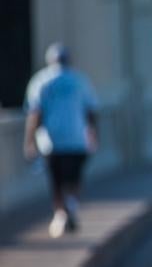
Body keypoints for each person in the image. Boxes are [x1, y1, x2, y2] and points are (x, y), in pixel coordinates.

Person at [23, 43, 99, 238]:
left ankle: (60, 213)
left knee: (56, 181)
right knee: (74, 178)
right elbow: (91, 111)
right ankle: (71, 206)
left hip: (52, 141)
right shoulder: (80, 80)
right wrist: (93, 134)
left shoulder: (41, 81)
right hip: (77, 138)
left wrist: (29, 141)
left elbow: (35, 114)